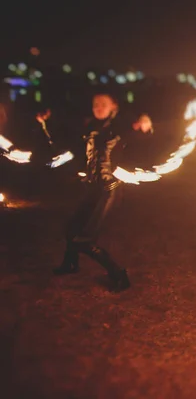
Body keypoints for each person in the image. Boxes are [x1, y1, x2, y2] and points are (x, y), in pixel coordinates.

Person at [50, 92, 152, 292]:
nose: (98, 107)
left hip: (109, 190)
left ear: (114, 106)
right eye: (95, 103)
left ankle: (119, 274)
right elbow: (69, 132)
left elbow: (141, 133)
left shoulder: (120, 126)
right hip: (92, 187)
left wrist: (144, 125)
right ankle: (70, 264)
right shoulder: (90, 127)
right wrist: (47, 119)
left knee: (85, 239)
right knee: (71, 228)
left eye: (103, 104)